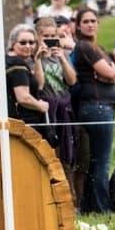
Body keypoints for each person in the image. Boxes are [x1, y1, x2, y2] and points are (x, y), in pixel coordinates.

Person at [74, 9, 115, 213]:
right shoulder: (84, 46)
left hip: (101, 107)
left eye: (93, 20)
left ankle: (89, 208)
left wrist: (109, 75)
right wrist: (109, 75)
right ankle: (103, 209)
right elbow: (111, 73)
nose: (90, 24)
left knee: (94, 162)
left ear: (98, 23)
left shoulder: (98, 48)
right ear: (78, 25)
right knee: (101, 161)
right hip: (96, 107)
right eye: (85, 21)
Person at [35, 16, 78, 171]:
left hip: (64, 108)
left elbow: (72, 81)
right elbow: (39, 85)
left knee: (66, 156)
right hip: (46, 111)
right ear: (38, 37)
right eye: (45, 36)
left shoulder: (63, 54)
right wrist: (38, 60)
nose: (49, 39)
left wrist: (62, 59)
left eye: (53, 35)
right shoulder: (34, 56)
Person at [5, 24, 52, 145]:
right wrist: (40, 106)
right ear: (13, 43)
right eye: (23, 42)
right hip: (23, 125)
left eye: (32, 42)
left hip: (18, 123)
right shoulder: (17, 64)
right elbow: (23, 98)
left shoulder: (11, 60)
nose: (28, 46)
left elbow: (39, 85)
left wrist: (37, 60)